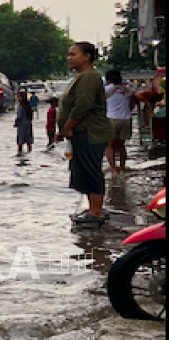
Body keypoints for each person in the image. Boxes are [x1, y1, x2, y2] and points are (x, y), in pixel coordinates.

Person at [55, 42, 114, 223]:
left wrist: (68, 127)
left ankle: (96, 211)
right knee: (83, 171)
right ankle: (93, 208)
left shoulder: (89, 76)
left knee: (91, 170)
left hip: (90, 132)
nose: (69, 58)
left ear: (87, 56)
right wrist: (63, 129)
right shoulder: (81, 77)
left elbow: (83, 105)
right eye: (69, 54)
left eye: (73, 54)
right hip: (82, 132)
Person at [104, 69, 135, 174]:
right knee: (121, 145)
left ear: (108, 80)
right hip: (126, 119)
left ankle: (113, 169)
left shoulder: (106, 89)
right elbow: (132, 105)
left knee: (109, 145)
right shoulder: (128, 90)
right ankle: (122, 167)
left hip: (111, 118)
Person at [14, 90, 33, 155]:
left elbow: (19, 116)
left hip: (22, 125)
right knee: (29, 141)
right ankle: (30, 152)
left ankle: (19, 153)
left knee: (20, 141)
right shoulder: (28, 105)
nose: (17, 98)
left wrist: (16, 123)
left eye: (18, 97)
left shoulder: (20, 106)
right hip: (28, 124)